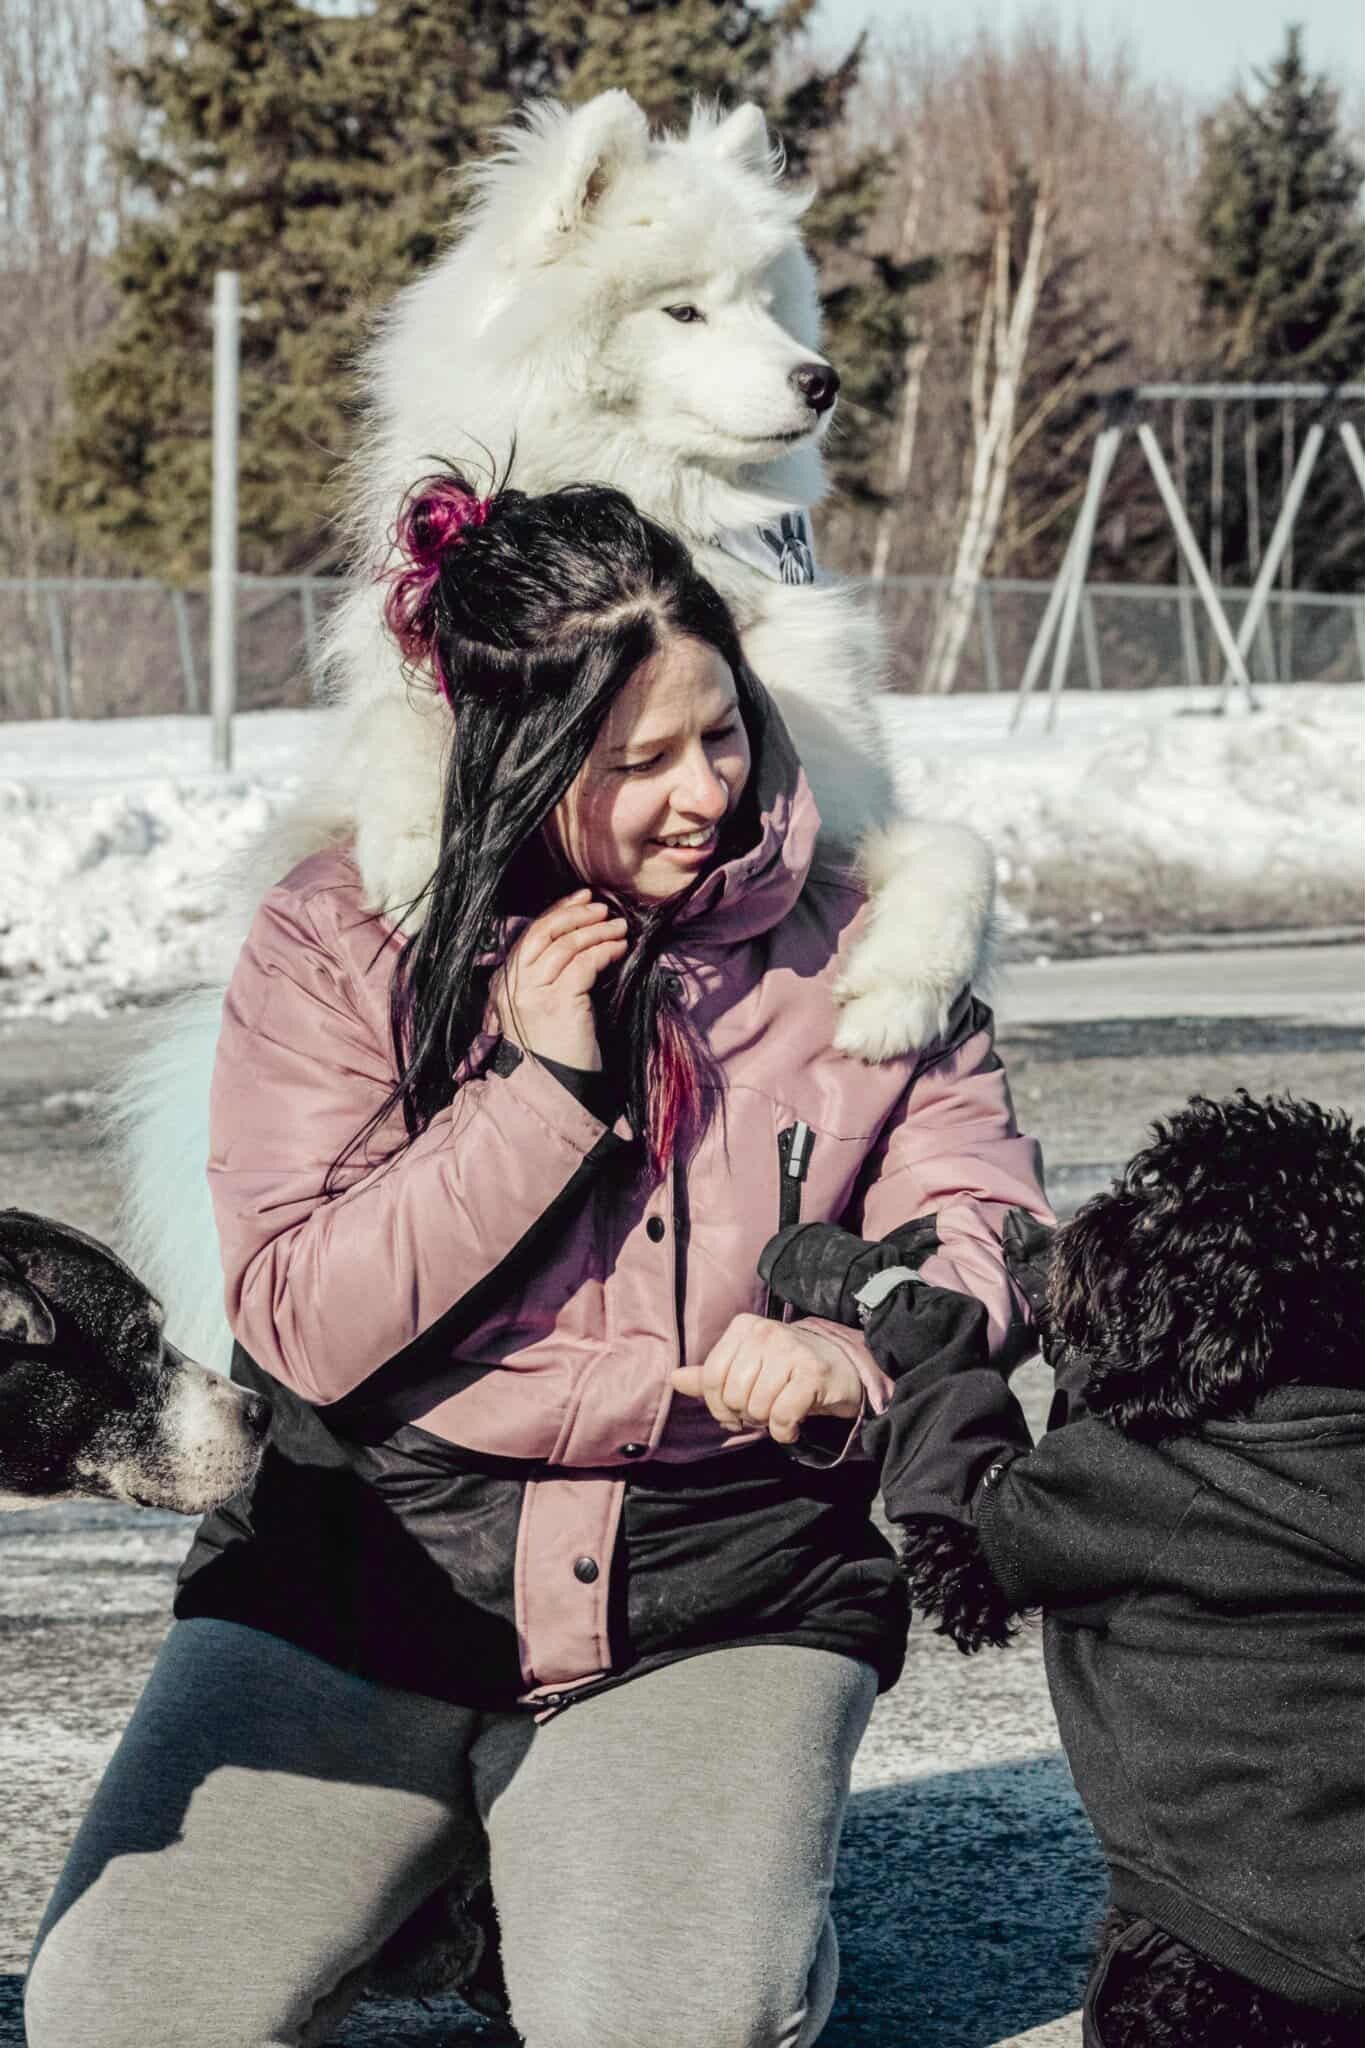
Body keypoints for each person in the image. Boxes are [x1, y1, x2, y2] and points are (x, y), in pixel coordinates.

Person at [26, 474, 1050, 2048]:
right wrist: (541, 1096)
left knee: (676, 2021)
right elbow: (298, 1320)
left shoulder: (868, 938)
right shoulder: (340, 938)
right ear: (509, 759)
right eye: (634, 760)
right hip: (365, 1581)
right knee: (125, 2015)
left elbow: (979, 1214)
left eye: (718, 732)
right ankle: (459, 1876)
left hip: (716, 1579)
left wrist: (855, 1346)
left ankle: (662, 1869)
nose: (701, 790)